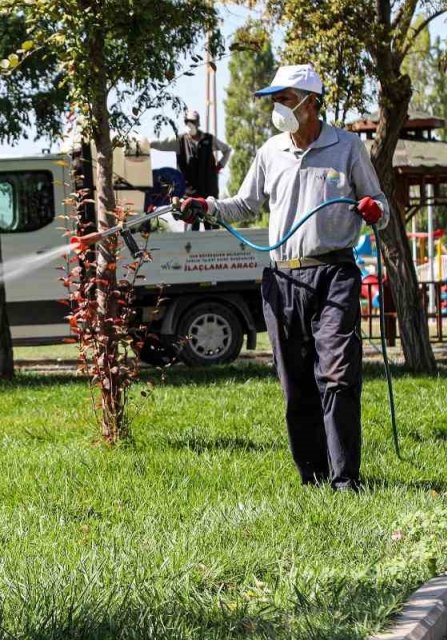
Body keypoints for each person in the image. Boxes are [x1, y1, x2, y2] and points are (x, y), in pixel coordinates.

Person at [173, 64, 388, 492]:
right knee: (295, 385)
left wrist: (373, 209)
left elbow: (379, 204)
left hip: (333, 274)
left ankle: (346, 480)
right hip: (282, 280)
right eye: (275, 99)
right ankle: (314, 478)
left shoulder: (347, 147)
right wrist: (206, 207)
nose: (278, 106)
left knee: (338, 375)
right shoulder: (271, 152)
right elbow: (245, 204)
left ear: (312, 103)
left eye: (286, 98)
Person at [151, 109, 231, 230]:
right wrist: (146, 143)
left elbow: (227, 150)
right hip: (189, 196)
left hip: (208, 194)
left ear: (198, 123)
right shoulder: (179, 141)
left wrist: (219, 165)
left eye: (192, 121)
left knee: (213, 230)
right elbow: (160, 143)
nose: (190, 124)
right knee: (190, 231)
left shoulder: (209, 140)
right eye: (187, 121)